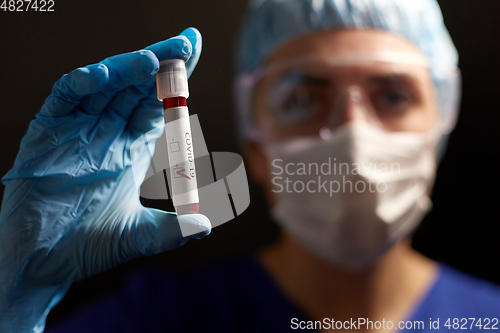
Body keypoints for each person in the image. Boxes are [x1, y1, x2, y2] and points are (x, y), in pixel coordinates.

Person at [1, 1, 499, 332]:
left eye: (393, 95)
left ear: (439, 130)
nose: (354, 136)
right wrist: (17, 311)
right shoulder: (151, 321)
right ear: (256, 148)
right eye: (304, 98)